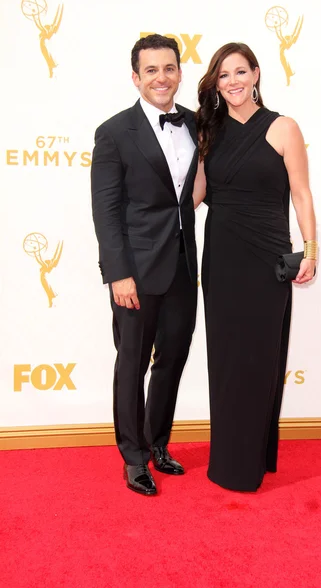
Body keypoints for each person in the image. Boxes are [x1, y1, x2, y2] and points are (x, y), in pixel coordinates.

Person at [193, 43, 317, 492]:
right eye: (223, 76)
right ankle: (229, 462)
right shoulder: (209, 130)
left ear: (257, 73)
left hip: (268, 259)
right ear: (216, 83)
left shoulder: (284, 127)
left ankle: (255, 455)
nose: (233, 82)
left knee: (261, 358)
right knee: (227, 360)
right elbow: (197, 194)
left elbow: (301, 193)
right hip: (223, 258)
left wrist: (312, 250)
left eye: (240, 72)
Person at [91, 34, 198, 496]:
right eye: (151, 70)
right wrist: (118, 273)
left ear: (179, 72)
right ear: (136, 77)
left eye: (169, 68)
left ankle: (157, 444)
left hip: (183, 265)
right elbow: (106, 209)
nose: (161, 77)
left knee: (172, 359)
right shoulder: (114, 132)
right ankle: (133, 458)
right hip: (134, 270)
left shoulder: (196, 124)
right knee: (132, 364)